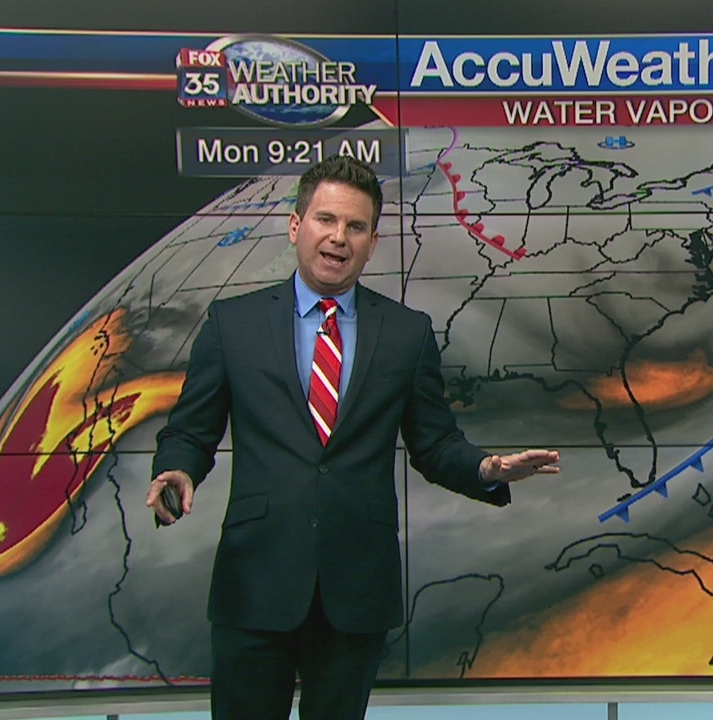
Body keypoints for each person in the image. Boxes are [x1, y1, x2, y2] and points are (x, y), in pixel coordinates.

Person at [145, 154, 559, 720]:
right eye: (326, 220)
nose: (339, 237)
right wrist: (177, 470)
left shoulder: (407, 334)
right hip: (256, 581)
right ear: (296, 226)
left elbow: (434, 444)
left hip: (356, 587)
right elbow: (191, 430)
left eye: (356, 226)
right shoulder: (232, 324)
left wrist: (486, 470)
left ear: (372, 242)